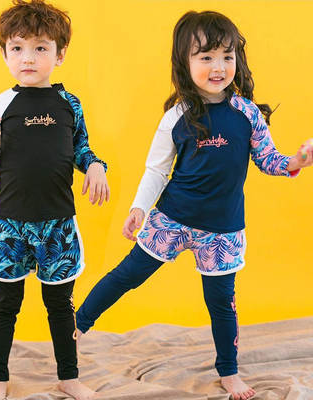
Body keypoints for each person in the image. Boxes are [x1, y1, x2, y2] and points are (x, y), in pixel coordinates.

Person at [75, 10, 313, 400]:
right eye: (206, 57)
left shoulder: (248, 114)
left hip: (223, 231)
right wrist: (138, 208)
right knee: (127, 275)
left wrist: (297, 161)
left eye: (226, 56)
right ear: (185, 63)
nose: (218, 67)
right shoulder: (177, 117)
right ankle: (76, 327)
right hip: (172, 219)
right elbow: (157, 170)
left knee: (221, 303)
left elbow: (269, 160)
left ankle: (229, 372)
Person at [0, 1, 109, 399]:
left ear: (59, 54)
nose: (28, 58)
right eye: (17, 48)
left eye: (40, 48)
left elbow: (81, 149)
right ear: (4, 54)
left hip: (58, 224)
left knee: (60, 305)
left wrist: (96, 165)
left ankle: (69, 377)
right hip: (11, 223)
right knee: (5, 304)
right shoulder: (0, 104)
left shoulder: (70, 104)